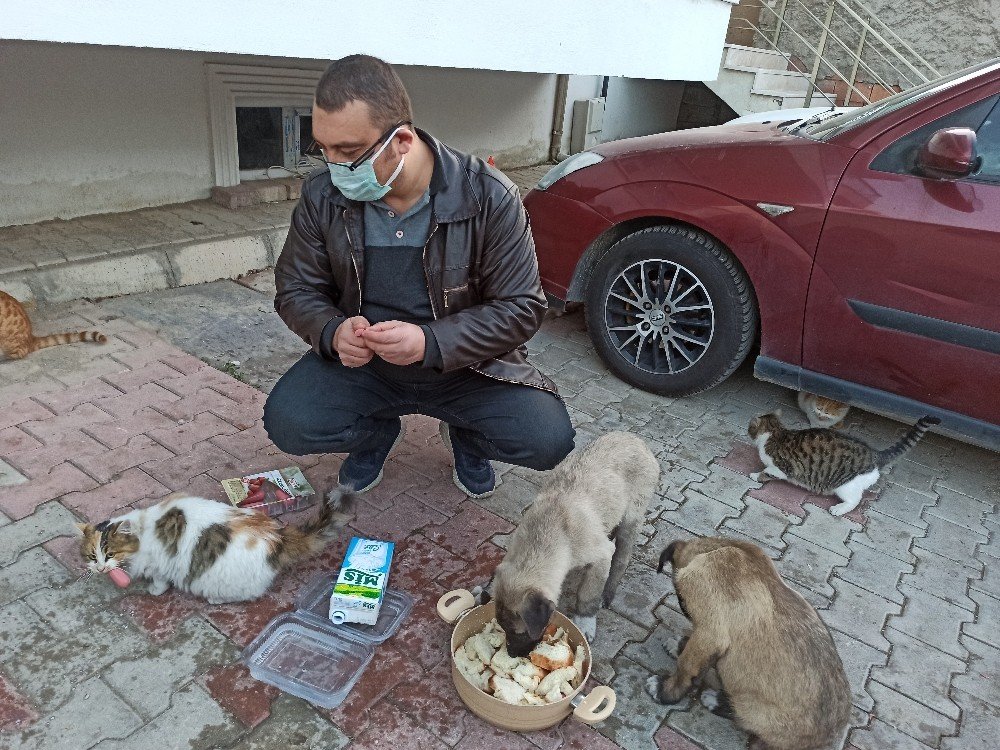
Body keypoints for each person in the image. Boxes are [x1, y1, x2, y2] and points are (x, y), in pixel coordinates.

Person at [263, 54, 575, 498]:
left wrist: (430, 342)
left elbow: (522, 308)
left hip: (469, 367)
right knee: (290, 423)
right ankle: (375, 434)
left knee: (546, 440)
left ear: (402, 140)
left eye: (349, 153)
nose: (332, 168)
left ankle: (468, 438)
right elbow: (295, 289)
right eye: (323, 149)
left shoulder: (489, 195)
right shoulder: (321, 195)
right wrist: (332, 332)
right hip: (367, 367)